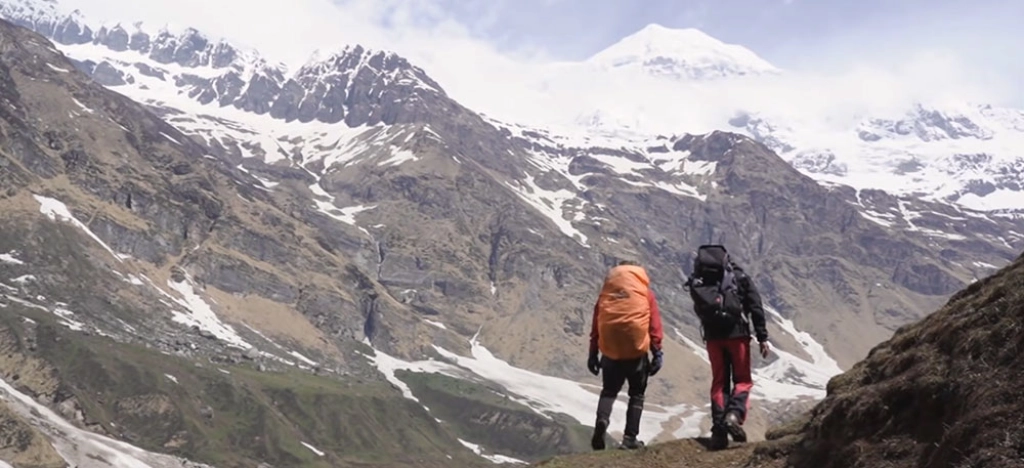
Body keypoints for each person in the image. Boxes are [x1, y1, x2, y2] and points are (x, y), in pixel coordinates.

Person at [684, 245, 770, 450]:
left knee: (719, 383)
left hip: (713, 337)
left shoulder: (701, 280)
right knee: (742, 380)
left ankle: (718, 433)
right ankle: (734, 415)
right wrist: (762, 337)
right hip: (737, 335)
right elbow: (755, 306)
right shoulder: (740, 277)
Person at [587, 260, 665, 451]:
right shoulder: (644, 292)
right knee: (637, 394)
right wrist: (657, 352)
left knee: (609, 391)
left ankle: (602, 421)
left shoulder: (607, 293)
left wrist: (593, 353)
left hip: (610, 351)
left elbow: (597, 324)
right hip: (636, 352)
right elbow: (654, 324)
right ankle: (630, 438)